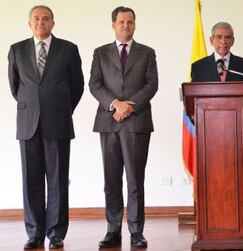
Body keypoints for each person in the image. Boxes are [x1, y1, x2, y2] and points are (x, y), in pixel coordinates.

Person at [8, 5, 84, 249]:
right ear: (29, 23)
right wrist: (34, 108)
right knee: (31, 179)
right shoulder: (17, 50)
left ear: (53, 22)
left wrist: (61, 109)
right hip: (28, 123)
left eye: (46, 19)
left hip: (58, 122)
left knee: (58, 179)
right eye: (36, 19)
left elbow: (77, 86)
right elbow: (15, 86)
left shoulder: (68, 49)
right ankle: (34, 232)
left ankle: (56, 232)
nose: (41, 22)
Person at [89, 6, 158, 249]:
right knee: (111, 179)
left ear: (134, 25)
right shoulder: (100, 52)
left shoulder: (147, 52)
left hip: (137, 122)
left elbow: (152, 84)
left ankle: (137, 231)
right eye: (121, 22)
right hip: (108, 123)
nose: (126, 26)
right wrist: (115, 104)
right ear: (113, 25)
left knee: (135, 179)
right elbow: (94, 85)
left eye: (130, 22)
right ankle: (113, 230)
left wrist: (130, 106)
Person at [191, 21, 243, 124]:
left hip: (236, 127)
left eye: (227, 37)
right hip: (207, 127)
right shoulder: (199, 67)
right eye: (219, 37)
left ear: (233, 41)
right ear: (211, 40)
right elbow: (192, 99)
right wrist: (198, 121)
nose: (223, 41)